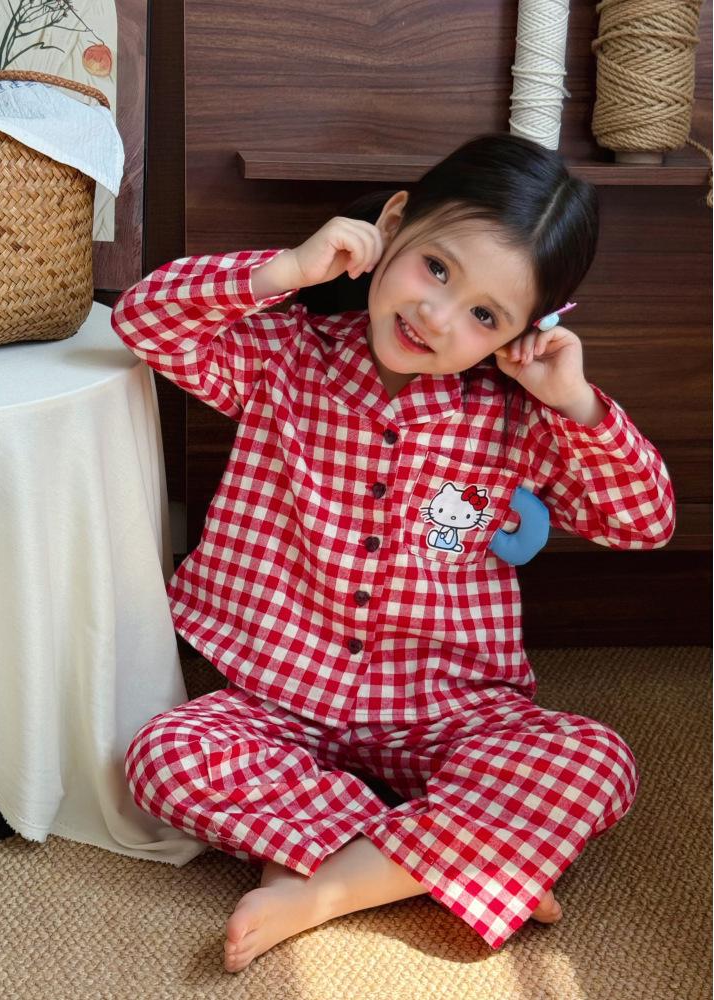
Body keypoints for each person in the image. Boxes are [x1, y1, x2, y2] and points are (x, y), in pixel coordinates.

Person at [111, 133, 675, 974]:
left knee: (596, 761)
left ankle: (329, 886)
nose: (437, 317)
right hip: (277, 700)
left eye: (486, 316)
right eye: (436, 269)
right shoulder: (282, 355)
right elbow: (143, 319)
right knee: (166, 756)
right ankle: (457, 862)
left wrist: (578, 403)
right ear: (397, 221)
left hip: (448, 712)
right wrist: (287, 270)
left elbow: (643, 522)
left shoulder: (522, 419)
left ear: (526, 333)